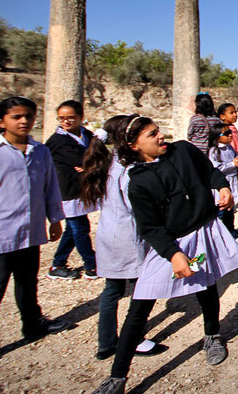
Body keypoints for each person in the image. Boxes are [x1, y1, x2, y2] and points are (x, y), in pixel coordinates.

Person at [93, 117, 238, 394]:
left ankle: (212, 336)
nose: (161, 136)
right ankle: (117, 377)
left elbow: (209, 172)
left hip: (203, 232)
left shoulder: (183, 150)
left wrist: (223, 186)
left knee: (207, 287)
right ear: (134, 145)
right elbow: (150, 228)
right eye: (153, 134)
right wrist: (174, 254)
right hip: (170, 245)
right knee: (139, 306)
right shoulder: (137, 181)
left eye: (159, 130)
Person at [0, 97, 72, 379]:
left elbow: (49, 187)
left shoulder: (40, 152)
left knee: (27, 281)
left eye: (29, 116)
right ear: (1, 122)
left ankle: (32, 325)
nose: (24, 121)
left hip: (30, 233)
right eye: (16, 116)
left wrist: (55, 219)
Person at [80, 115, 167, 362]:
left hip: (110, 234)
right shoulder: (129, 171)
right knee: (142, 290)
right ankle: (135, 338)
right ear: (130, 142)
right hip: (129, 237)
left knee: (112, 290)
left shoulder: (110, 161)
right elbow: (138, 207)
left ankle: (106, 343)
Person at [46, 100, 97, 280]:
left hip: (81, 189)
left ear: (80, 117)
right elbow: (85, 158)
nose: (66, 122)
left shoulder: (86, 134)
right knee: (80, 227)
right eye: (62, 118)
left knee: (73, 228)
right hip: (67, 190)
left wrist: (90, 164)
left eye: (70, 118)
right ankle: (92, 265)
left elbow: (99, 155)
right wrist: (89, 163)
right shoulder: (57, 141)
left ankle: (58, 264)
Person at [207, 122, 238, 247]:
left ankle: (231, 232)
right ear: (218, 136)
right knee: (222, 212)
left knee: (230, 212)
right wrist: (232, 165)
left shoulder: (229, 147)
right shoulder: (214, 151)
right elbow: (216, 169)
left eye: (230, 133)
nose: (230, 136)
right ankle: (221, 237)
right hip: (222, 185)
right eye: (227, 133)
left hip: (232, 181)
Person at [217, 102, 238, 176]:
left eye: (235, 112)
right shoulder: (225, 132)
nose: (235, 115)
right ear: (222, 116)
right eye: (231, 113)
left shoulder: (233, 128)